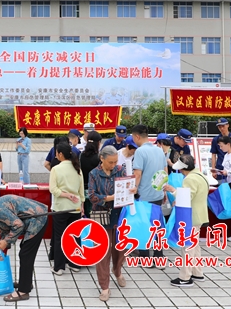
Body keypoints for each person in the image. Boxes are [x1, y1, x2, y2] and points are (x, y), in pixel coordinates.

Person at [163, 154, 210, 287]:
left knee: (187, 246)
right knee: (194, 246)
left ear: (184, 168)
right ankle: (197, 272)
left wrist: (173, 190)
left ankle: (185, 277)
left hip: (190, 216)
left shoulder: (189, 179)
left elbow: (186, 197)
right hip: (199, 215)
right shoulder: (200, 175)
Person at [88, 146, 128, 302]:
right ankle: (104, 286)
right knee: (103, 252)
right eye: (110, 162)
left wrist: (131, 190)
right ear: (101, 158)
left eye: (115, 162)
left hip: (118, 215)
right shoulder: (94, 174)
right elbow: (92, 196)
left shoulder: (120, 170)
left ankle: (117, 271)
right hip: (101, 215)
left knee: (120, 248)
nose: (113, 165)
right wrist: (110, 198)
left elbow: (127, 188)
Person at [130, 125, 166, 261]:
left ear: (137, 136)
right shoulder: (159, 150)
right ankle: (158, 256)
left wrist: (134, 188)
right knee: (157, 225)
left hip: (144, 196)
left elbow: (137, 174)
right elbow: (164, 172)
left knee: (144, 226)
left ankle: (145, 257)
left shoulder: (140, 152)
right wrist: (163, 191)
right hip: (158, 194)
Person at [49, 142, 84, 275]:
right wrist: (81, 205)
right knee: (75, 236)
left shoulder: (56, 169)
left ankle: (59, 267)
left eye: (56, 153)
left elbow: (53, 189)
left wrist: (66, 195)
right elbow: (81, 191)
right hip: (75, 208)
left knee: (60, 237)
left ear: (60, 154)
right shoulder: (77, 168)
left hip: (61, 208)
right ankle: (75, 264)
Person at [79, 131, 103, 219]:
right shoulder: (99, 157)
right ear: (98, 143)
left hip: (83, 190)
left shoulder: (81, 156)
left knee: (85, 217)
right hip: (96, 192)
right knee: (96, 218)